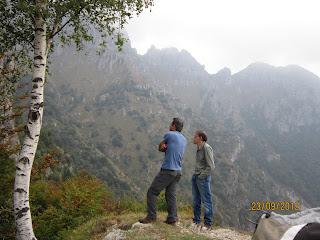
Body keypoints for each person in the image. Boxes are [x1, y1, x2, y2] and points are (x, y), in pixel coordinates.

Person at [139, 117, 187, 225]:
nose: (169, 126)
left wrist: (162, 147)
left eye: (171, 124)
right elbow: (170, 148)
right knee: (171, 195)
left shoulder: (169, 134)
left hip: (168, 170)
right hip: (178, 171)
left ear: (174, 125)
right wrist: (166, 148)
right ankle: (172, 218)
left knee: (152, 192)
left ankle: (151, 217)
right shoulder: (184, 139)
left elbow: (160, 147)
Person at [191, 130, 215, 229]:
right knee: (196, 200)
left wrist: (201, 176)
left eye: (195, 136)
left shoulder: (206, 148)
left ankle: (208, 224)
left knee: (206, 201)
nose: (193, 138)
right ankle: (196, 221)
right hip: (196, 176)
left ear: (200, 138)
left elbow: (211, 166)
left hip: (202, 178)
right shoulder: (199, 148)